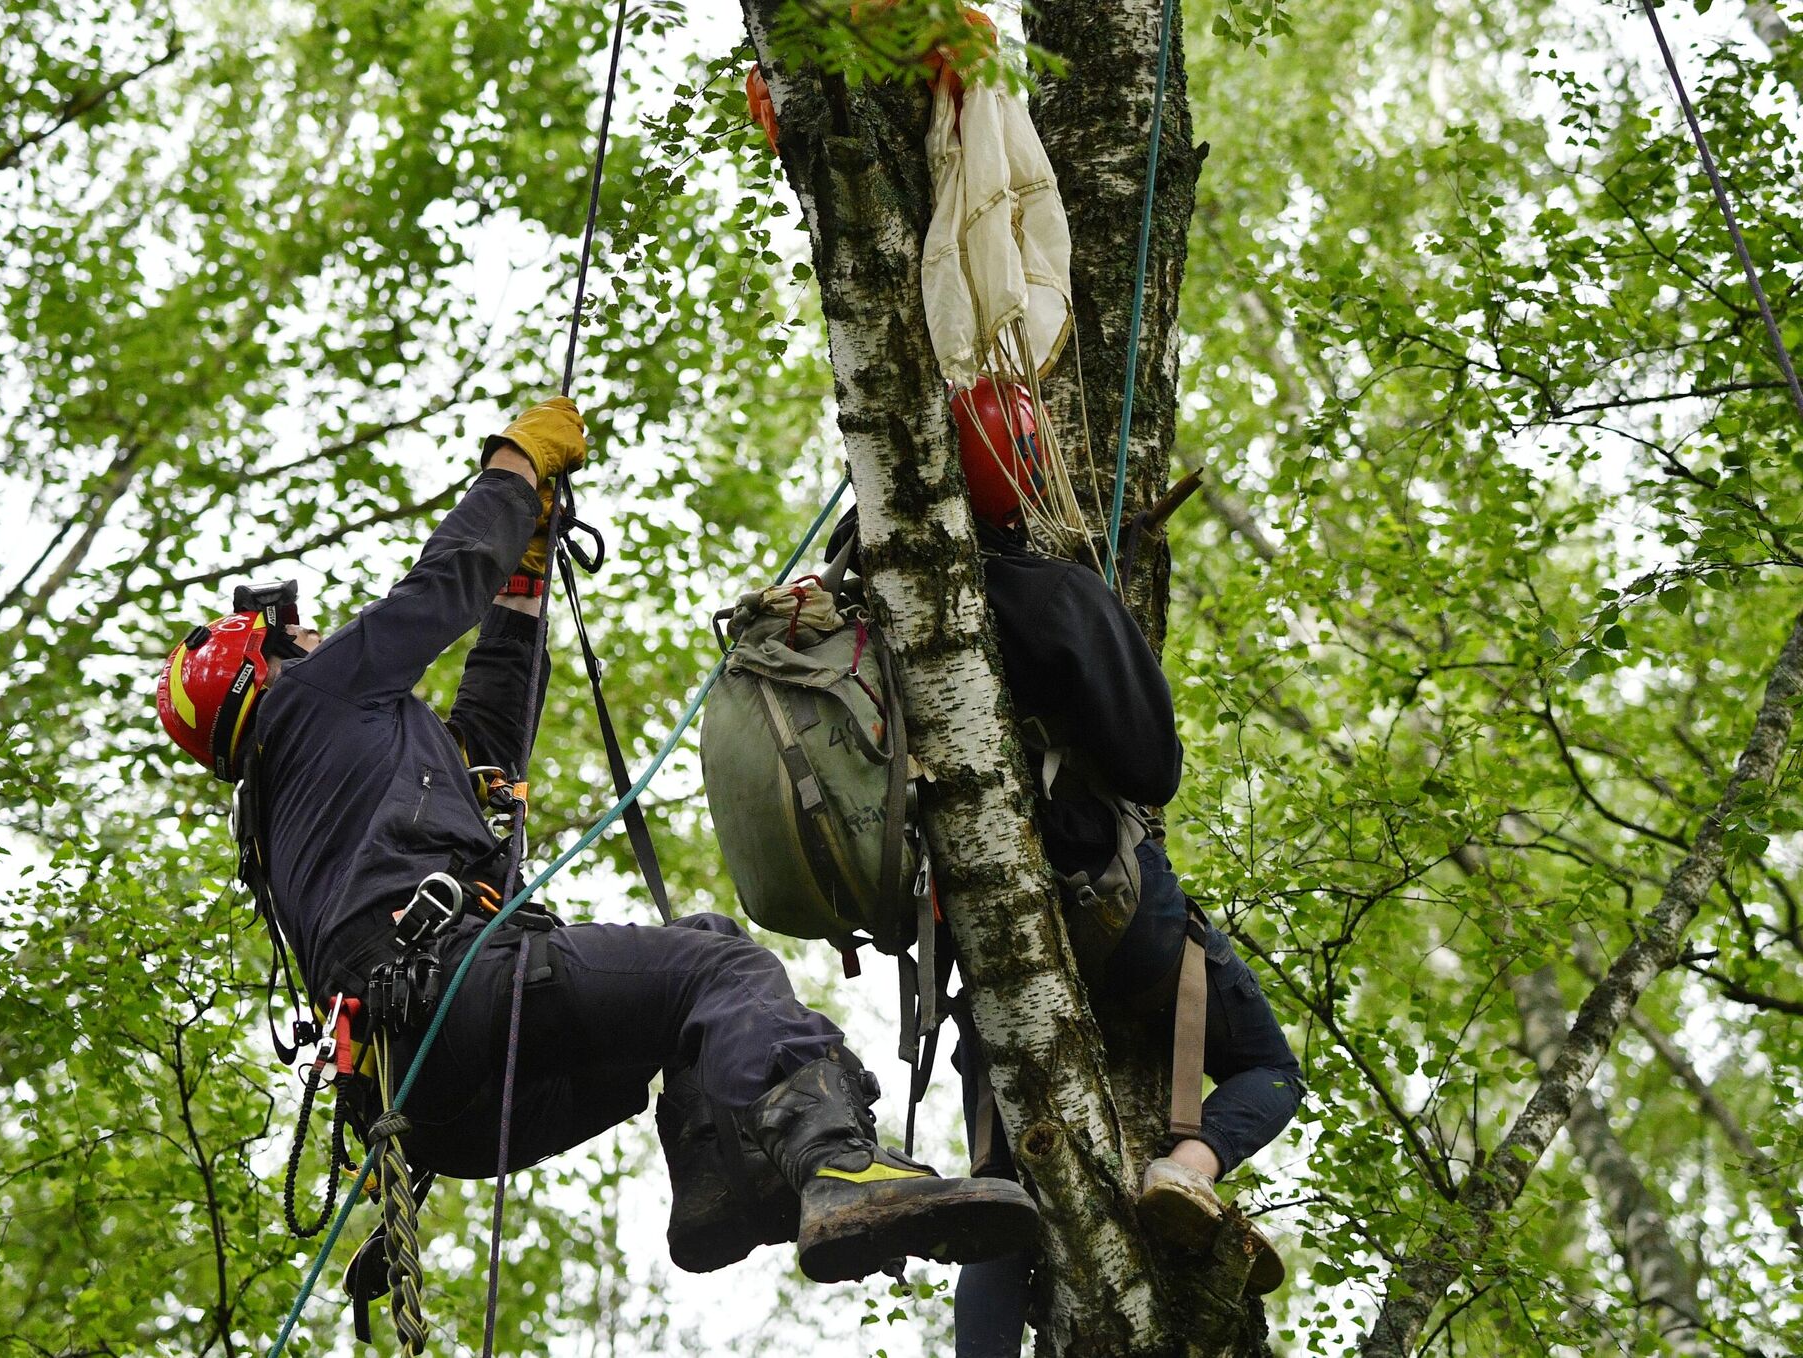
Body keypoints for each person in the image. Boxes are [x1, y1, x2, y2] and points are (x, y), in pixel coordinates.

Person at [154, 397, 1040, 1288]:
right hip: (456, 998)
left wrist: (526, 577)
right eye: (298, 636)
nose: (319, 634)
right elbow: (442, 583)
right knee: (724, 977)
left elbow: (486, 746)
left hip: (443, 1102)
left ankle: (718, 1188)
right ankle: (839, 1166)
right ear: (260, 672)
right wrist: (512, 466)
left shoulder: (311, 795)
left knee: (706, 951)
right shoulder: (310, 700)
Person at [824, 380, 1305, 1352]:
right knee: (1270, 1064)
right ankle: (1190, 1165)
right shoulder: (1053, 594)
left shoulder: (857, 621)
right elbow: (1153, 767)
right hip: (1116, 915)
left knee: (1002, 1207)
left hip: (973, 946)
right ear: (1021, 477)